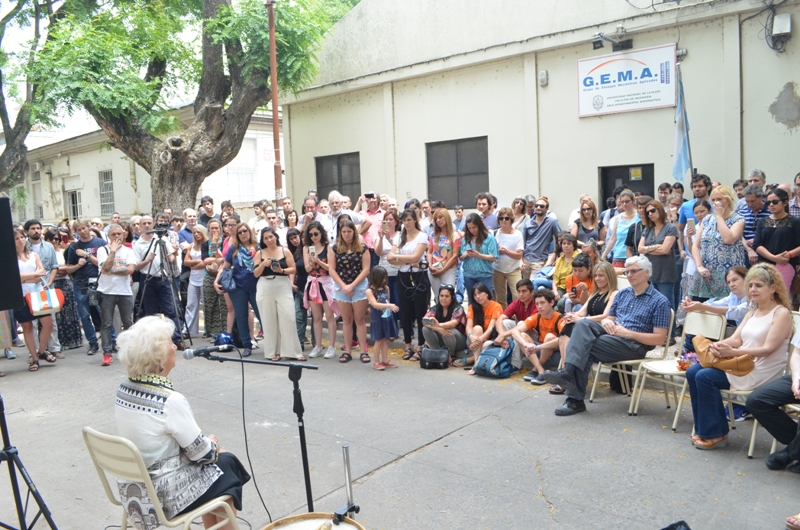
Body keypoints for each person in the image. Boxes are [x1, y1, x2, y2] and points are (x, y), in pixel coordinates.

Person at [114, 316, 250, 528]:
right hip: (161, 497)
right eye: (170, 342)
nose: (175, 346)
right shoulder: (169, 400)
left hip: (133, 491)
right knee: (225, 464)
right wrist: (212, 442)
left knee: (219, 469)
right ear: (158, 356)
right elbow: (203, 455)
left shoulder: (124, 388)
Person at [543, 255, 672, 416]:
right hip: (611, 335)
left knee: (585, 345)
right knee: (582, 324)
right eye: (627, 271)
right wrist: (606, 323)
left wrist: (628, 333)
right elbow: (608, 319)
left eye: (633, 271)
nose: (629, 275)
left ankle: (573, 396)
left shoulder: (659, 301)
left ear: (646, 273)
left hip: (634, 345)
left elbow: (659, 339)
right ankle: (570, 379)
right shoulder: (623, 294)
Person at [686, 264, 792, 449]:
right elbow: (736, 339)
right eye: (750, 285)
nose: (752, 289)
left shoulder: (781, 313)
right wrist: (719, 345)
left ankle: (716, 433)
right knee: (693, 371)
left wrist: (733, 352)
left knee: (704, 376)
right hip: (743, 364)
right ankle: (709, 428)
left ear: (773, 288)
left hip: (761, 370)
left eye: (758, 285)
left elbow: (768, 349)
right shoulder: (753, 311)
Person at [554, 262, 620, 392]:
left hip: (602, 328)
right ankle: (566, 373)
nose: (597, 279)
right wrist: (572, 315)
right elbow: (582, 312)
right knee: (566, 328)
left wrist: (580, 319)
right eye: (595, 276)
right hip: (586, 326)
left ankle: (567, 375)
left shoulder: (615, 293)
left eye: (601, 275)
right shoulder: (595, 293)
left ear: (610, 276)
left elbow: (605, 316)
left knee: (574, 328)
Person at [254, 227, 305, 362]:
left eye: (271, 236)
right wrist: (263, 265)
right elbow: (255, 273)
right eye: (266, 238)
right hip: (265, 286)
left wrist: (281, 270)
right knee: (269, 320)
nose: (269, 240)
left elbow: (292, 268)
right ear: (263, 240)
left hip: (283, 284)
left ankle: (293, 352)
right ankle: (273, 352)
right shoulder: (260, 253)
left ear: (275, 236)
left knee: (289, 317)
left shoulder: (285, 251)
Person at [689, 186, 746, 301]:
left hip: (727, 276)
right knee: (701, 310)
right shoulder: (707, 219)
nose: (716, 203)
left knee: (727, 313)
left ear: (728, 200)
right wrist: (699, 266)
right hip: (705, 274)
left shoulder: (738, 219)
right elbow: (696, 246)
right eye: (713, 200)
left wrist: (719, 217)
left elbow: (728, 239)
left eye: (719, 199)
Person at [133, 215, 183, 348]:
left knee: (171, 311)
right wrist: (147, 260)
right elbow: (136, 266)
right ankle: (155, 342)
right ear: (141, 225)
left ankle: (177, 339)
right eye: (144, 223)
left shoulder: (161, 239)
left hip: (164, 278)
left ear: (154, 223)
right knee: (151, 313)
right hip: (147, 279)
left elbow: (173, 253)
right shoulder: (138, 244)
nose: (147, 226)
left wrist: (171, 257)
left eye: (149, 223)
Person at [388, 209, 430, 361]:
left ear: (415, 220)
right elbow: (389, 258)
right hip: (403, 276)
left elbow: (416, 256)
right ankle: (407, 346)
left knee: (420, 312)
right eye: (404, 220)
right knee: (405, 313)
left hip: (419, 277)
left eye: (409, 220)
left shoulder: (422, 236)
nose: (406, 223)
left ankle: (420, 347)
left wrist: (399, 258)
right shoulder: (399, 236)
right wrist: (408, 261)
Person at [215, 222, 261, 357]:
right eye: (240, 232)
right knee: (241, 317)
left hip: (256, 287)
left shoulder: (257, 247)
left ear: (249, 232)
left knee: (262, 315)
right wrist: (217, 281)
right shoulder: (233, 249)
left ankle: (271, 344)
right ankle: (246, 345)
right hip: (238, 288)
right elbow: (225, 267)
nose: (243, 234)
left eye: (245, 231)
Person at [329, 219, 371, 363]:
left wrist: (352, 285)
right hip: (341, 287)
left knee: (360, 320)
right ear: (340, 233)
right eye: (344, 232)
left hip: (358, 286)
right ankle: (347, 351)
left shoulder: (362, 248)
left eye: (349, 231)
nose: (347, 234)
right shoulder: (334, 249)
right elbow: (332, 270)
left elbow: (366, 269)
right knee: (347, 320)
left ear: (354, 232)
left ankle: (363, 351)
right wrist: (344, 286)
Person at [14, 228, 55, 372]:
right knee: (27, 327)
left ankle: (42, 350)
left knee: (48, 323)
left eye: (22, 237)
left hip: (37, 294)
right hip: (21, 296)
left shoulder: (33, 255)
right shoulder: (10, 258)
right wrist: (32, 275)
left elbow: (41, 274)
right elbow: (14, 277)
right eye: (17, 238)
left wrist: (24, 277)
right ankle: (34, 358)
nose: (21, 240)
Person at [64, 219, 107, 354]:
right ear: (75, 232)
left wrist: (87, 255)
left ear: (89, 228)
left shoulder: (100, 243)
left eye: (84, 228)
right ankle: (92, 343)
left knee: (104, 313)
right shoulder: (73, 247)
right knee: (85, 315)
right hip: (80, 283)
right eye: (79, 230)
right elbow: (68, 269)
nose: (82, 232)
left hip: (99, 281)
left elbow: (104, 264)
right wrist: (78, 265)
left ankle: (110, 340)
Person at [96, 224, 136, 367]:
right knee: (106, 323)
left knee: (128, 323)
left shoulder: (128, 251)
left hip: (124, 292)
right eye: (114, 234)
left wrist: (112, 269)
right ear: (108, 236)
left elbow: (130, 269)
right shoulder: (102, 250)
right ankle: (107, 353)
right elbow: (105, 269)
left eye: (119, 234)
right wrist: (112, 252)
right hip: (107, 292)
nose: (117, 237)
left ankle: (131, 352)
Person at [510, 289, 566, 385]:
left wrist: (538, 347)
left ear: (552, 302)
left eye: (542, 303)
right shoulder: (538, 316)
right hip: (538, 350)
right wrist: (526, 344)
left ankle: (536, 369)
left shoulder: (560, 318)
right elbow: (515, 331)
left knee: (549, 337)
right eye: (537, 304)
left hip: (555, 354)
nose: (539, 306)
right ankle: (540, 370)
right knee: (522, 335)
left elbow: (562, 339)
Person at [25, 219, 62, 357]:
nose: (36, 231)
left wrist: (49, 283)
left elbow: (54, 267)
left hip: (46, 287)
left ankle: (54, 348)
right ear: (27, 231)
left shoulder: (48, 246)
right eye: (33, 228)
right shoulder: (24, 247)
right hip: (29, 288)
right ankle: (34, 352)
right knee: (32, 323)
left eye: (38, 228)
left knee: (50, 321)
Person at [303, 221, 340, 359]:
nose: (313, 237)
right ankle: (317, 346)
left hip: (325, 283)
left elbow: (331, 268)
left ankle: (331, 346)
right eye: (311, 234)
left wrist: (318, 261)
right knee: (316, 317)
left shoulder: (328, 247)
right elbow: (307, 269)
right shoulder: (307, 248)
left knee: (330, 317)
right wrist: (311, 262)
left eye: (316, 233)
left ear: (321, 233)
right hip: (313, 282)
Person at [43, 229, 83, 351]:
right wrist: (58, 270)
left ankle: (70, 340)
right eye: (51, 239)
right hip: (51, 284)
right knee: (56, 315)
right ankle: (55, 342)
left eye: (56, 239)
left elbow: (68, 268)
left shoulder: (64, 251)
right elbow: (47, 269)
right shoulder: (45, 253)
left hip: (65, 284)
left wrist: (58, 270)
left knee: (68, 312)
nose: (54, 241)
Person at [753, 188, 800, 289]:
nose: (771, 205)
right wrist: (773, 258)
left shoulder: (794, 222)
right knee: (763, 296)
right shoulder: (762, 221)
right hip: (763, 265)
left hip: (785, 264)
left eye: (775, 202)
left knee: (780, 296)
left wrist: (789, 254)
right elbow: (757, 244)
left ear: (785, 202)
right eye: (768, 202)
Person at [638, 200, 679, 309]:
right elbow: (639, 249)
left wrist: (647, 249)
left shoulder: (670, 227)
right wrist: (656, 247)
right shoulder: (647, 229)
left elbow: (665, 250)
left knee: (666, 306)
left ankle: (671, 327)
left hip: (665, 273)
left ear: (660, 210)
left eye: (652, 210)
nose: (650, 214)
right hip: (650, 273)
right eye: (647, 212)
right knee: (651, 306)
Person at [454, 282, 503, 369]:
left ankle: (471, 360)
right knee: (477, 328)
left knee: (485, 345)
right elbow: (468, 327)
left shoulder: (496, 306)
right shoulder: (472, 307)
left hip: (487, 340)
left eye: (480, 293)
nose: (477, 297)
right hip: (474, 339)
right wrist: (471, 336)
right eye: (475, 295)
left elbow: (491, 328)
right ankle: (476, 364)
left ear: (487, 293)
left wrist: (479, 340)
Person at [422, 284, 468, 362]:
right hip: (443, 336)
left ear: (452, 298)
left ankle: (450, 355)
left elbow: (453, 323)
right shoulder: (435, 308)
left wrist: (439, 325)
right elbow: (424, 321)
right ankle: (437, 352)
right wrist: (438, 329)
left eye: (447, 296)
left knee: (449, 330)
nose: (444, 298)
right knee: (425, 328)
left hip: (459, 340)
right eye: (441, 296)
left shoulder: (458, 308)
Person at [365, 267, 399, 370]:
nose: (384, 280)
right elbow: (375, 304)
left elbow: (386, 300)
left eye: (385, 278)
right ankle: (376, 361)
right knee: (378, 341)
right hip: (378, 319)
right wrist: (389, 306)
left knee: (386, 340)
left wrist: (389, 307)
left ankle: (385, 360)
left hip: (386, 317)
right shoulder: (370, 291)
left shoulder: (386, 288)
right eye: (382, 278)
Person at [460, 213, 499, 304]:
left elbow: (494, 257)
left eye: (474, 227)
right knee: (472, 301)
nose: (472, 230)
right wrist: (464, 255)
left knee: (487, 301)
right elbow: (460, 257)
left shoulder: (489, 238)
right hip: (468, 274)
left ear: (479, 225)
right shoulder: (465, 239)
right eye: (469, 228)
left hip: (484, 274)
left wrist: (479, 255)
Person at [492, 207, 524, 309]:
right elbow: (491, 252)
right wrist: (498, 251)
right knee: (500, 297)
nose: (503, 220)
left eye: (506, 218)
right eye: (501, 218)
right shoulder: (495, 233)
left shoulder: (517, 234)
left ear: (511, 219)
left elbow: (519, 255)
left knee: (518, 295)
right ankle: (504, 318)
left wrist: (506, 251)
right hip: (498, 269)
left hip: (513, 268)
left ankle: (518, 318)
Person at [200, 219, 227, 339]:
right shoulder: (205, 244)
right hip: (209, 275)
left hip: (222, 275)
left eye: (217, 228)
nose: (215, 230)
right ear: (209, 230)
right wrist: (217, 258)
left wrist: (216, 248)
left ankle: (225, 331)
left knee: (224, 305)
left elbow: (224, 258)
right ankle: (210, 331)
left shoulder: (225, 241)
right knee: (210, 304)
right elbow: (205, 260)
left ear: (220, 229)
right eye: (212, 228)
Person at [522, 197, 561, 279]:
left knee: (534, 284)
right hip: (526, 259)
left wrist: (554, 255)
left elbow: (560, 238)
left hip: (539, 261)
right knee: (526, 285)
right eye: (536, 206)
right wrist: (521, 260)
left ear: (547, 208)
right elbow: (523, 242)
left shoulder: (552, 222)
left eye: (541, 206)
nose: (538, 208)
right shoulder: (528, 223)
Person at [427, 208, 461, 297]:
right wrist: (430, 266)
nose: (438, 220)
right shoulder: (433, 235)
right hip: (434, 269)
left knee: (448, 296)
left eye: (440, 217)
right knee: (438, 296)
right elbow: (429, 252)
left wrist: (442, 270)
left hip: (448, 269)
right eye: (436, 219)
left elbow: (454, 256)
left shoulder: (455, 236)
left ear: (446, 217)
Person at [375, 210, 401, 327]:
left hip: (398, 271)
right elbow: (378, 252)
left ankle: (405, 327)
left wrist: (389, 238)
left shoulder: (401, 235)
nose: (388, 222)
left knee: (398, 300)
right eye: (386, 220)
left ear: (396, 221)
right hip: (384, 274)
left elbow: (397, 252)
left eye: (391, 219)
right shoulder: (379, 235)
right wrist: (381, 238)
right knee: (387, 301)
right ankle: (391, 328)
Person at [182, 225, 208, 337]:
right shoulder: (191, 246)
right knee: (191, 305)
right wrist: (198, 262)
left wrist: (194, 263)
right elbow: (186, 262)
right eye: (194, 232)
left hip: (205, 278)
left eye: (199, 232)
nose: (196, 234)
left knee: (206, 305)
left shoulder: (207, 244)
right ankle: (187, 330)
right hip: (193, 279)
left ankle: (208, 330)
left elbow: (205, 262)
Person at [605, 190, 639, 268]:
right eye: (622, 202)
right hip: (618, 256)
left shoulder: (639, 217)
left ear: (633, 201)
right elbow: (612, 239)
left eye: (627, 201)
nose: (624, 204)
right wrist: (604, 255)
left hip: (634, 255)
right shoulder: (618, 218)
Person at [740, 184, 772, 266]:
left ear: (761, 197)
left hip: (767, 253)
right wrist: (749, 250)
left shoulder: (771, 211)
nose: (750, 204)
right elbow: (739, 235)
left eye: (753, 201)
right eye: (747, 201)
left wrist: (757, 240)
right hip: (746, 253)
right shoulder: (741, 212)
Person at [552, 234, 579, 304]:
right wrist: (555, 293)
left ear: (574, 246)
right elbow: (554, 279)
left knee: (560, 303)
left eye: (569, 243)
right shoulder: (559, 260)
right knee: (547, 299)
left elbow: (581, 278)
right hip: (561, 288)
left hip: (573, 288)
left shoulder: (578, 258)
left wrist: (569, 292)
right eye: (564, 243)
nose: (566, 245)